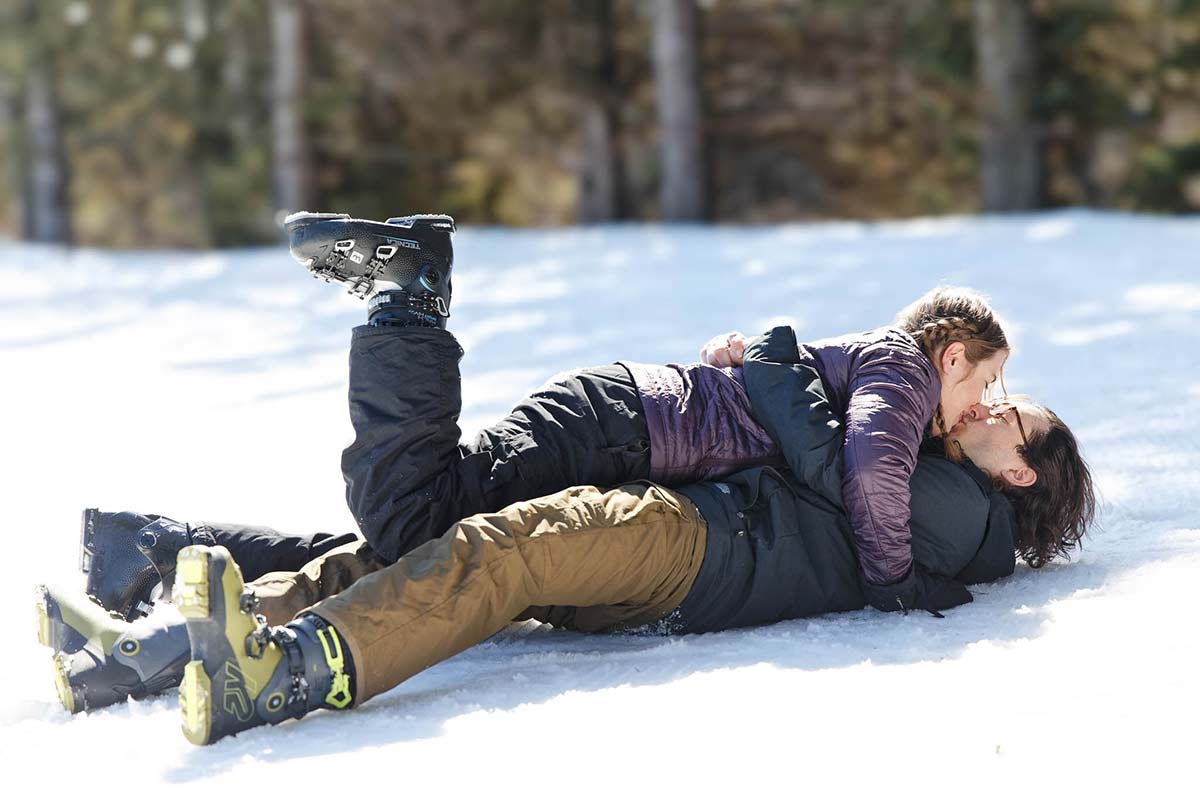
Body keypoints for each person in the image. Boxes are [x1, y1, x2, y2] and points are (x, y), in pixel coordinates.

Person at [80, 213, 1017, 622]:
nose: (979, 408)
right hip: (621, 428)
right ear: (951, 353)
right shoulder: (898, 368)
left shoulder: (863, 366)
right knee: (412, 516)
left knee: (428, 546)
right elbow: (869, 475)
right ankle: (407, 294)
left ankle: (164, 547)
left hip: (622, 424)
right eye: (984, 385)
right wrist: (895, 581)